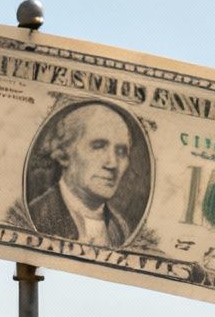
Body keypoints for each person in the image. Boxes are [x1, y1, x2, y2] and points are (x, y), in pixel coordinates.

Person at [26, 103, 136, 246]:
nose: (113, 164)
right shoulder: (36, 215)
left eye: (121, 151)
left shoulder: (121, 228)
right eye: (98, 146)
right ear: (64, 153)